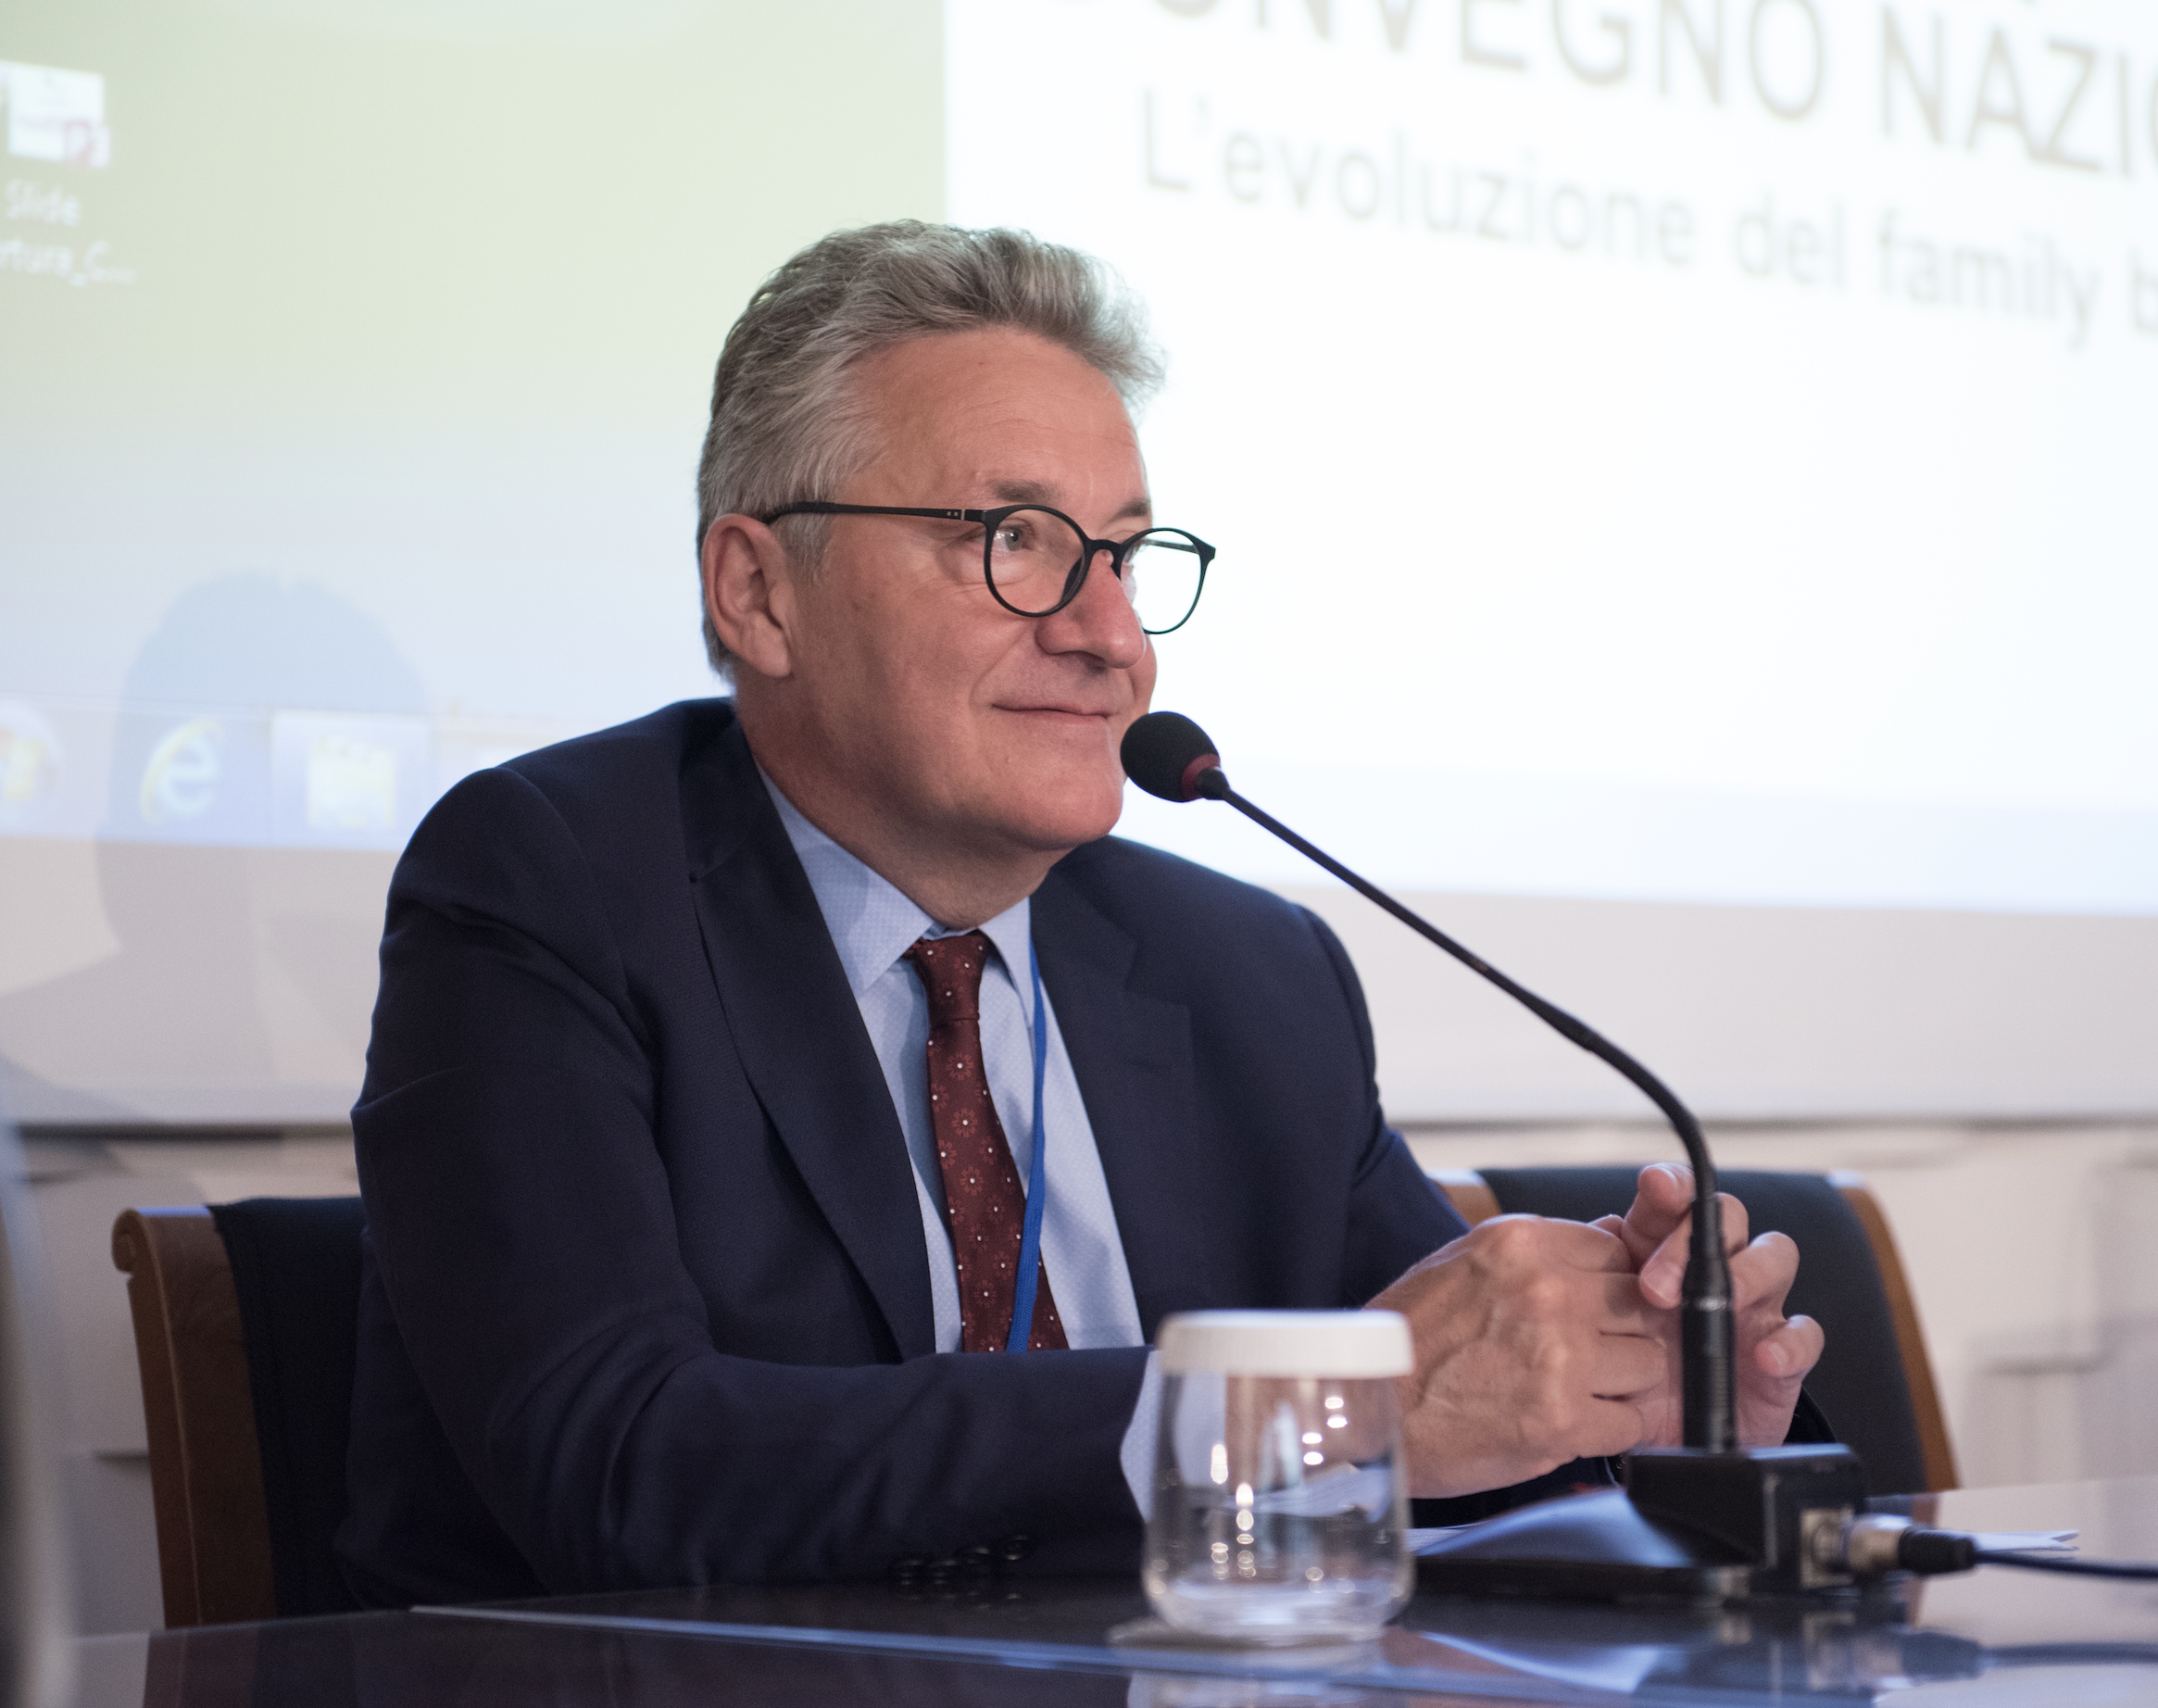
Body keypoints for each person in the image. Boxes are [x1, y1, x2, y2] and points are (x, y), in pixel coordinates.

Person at [337, 222, 1823, 1604]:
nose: (1109, 635)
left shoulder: (1249, 974)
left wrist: (1644, 1421)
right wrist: (1276, 1409)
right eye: (1014, 539)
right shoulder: (555, 884)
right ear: (759, 592)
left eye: (1122, 555)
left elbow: (1433, 1441)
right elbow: (615, 1463)